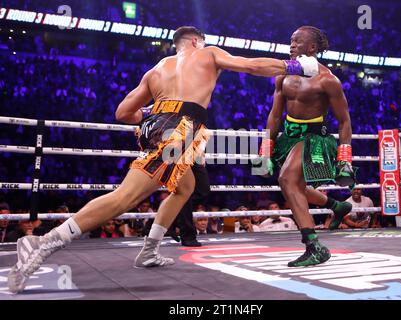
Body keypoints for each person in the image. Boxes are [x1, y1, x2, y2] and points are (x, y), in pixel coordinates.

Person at [8, 25, 319, 293]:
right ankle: (43, 243)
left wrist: (157, 115)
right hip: (180, 129)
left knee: (185, 187)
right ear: (197, 41)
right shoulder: (208, 53)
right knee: (125, 197)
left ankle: (149, 250)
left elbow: (123, 113)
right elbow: (251, 66)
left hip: (158, 124)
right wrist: (295, 66)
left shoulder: (156, 69)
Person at [260, 26, 354, 267]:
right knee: (295, 186)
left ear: (312, 48)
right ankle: (337, 206)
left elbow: (344, 121)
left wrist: (345, 159)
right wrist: (265, 148)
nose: (291, 45)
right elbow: (275, 115)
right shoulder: (283, 74)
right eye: (291, 40)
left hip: (313, 137)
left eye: (297, 41)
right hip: (289, 137)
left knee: (288, 180)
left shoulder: (327, 80)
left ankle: (314, 246)